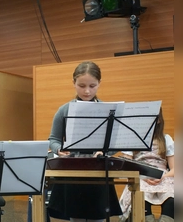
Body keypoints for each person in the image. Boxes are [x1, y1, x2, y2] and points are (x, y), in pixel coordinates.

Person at [46, 61, 122, 222]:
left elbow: (115, 143)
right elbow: (53, 139)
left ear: (99, 84)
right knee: (76, 216)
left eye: (92, 86)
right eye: (81, 85)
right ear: (73, 83)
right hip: (73, 170)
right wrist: (59, 149)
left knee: (98, 216)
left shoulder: (109, 110)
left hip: (99, 170)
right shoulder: (64, 110)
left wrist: (105, 152)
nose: (87, 91)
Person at [118, 108, 174, 222]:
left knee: (173, 200)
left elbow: (175, 168)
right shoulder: (132, 140)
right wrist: (143, 176)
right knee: (141, 198)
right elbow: (127, 167)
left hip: (163, 177)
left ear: (159, 120)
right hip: (140, 178)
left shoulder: (166, 139)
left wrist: (162, 177)